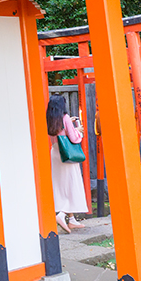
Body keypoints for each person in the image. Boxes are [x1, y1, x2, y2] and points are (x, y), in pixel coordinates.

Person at [47, 95, 88, 233]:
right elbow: (74, 138)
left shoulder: (51, 119)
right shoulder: (64, 118)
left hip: (56, 153)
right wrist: (79, 131)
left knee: (62, 187)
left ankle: (72, 220)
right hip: (67, 155)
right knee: (71, 185)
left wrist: (68, 123)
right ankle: (62, 214)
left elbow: (59, 132)